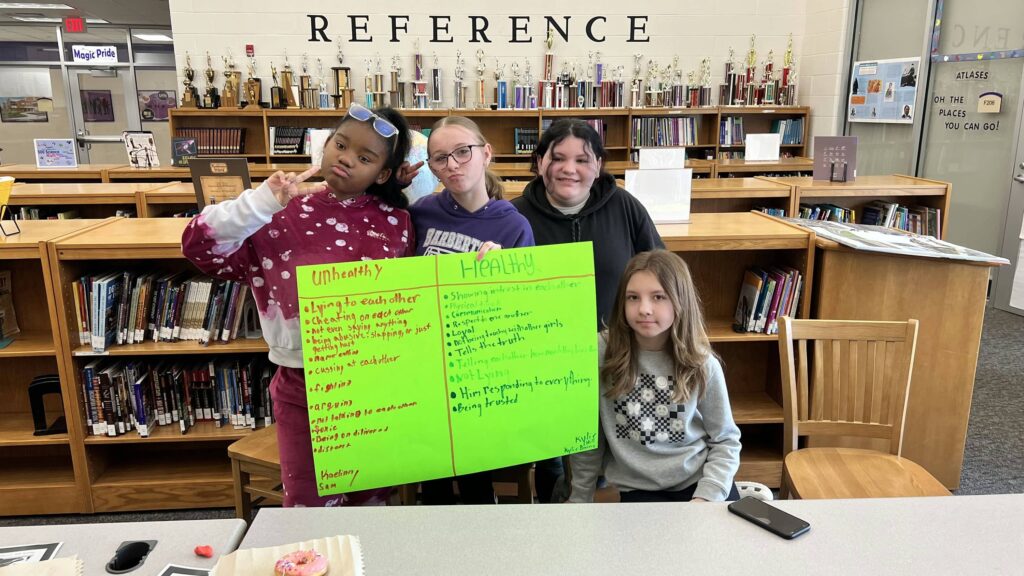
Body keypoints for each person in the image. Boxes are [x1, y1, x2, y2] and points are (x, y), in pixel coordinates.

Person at [181, 104, 417, 507]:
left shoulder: (396, 221)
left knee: (373, 500)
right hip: (301, 386)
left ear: (382, 173)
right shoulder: (277, 210)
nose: (345, 159)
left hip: (374, 384)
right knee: (309, 507)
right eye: (340, 145)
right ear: (325, 145)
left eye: (364, 157)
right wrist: (259, 204)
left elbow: (410, 301)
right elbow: (200, 247)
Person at [511, 118, 663, 503]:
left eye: (583, 159)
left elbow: (662, 274)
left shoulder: (626, 207)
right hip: (539, 367)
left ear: (598, 165)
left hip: (615, 360)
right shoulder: (513, 218)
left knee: (598, 462)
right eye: (558, 157)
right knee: (549, 461)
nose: (569, 169)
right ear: (540, 162)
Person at [411, 115, 534, 504]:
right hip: (426, 368)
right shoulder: (420, 213)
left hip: (480, 373)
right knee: (430, 478)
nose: (452, 164)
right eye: (440, 157)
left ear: (485, 154)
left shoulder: (513, 227)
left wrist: (503, 275)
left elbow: (526, 312)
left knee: (477, 479)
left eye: (462, 152)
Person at [568, 250, 741, 503]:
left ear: (680, 301)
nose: (644, 309)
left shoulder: (702, 362)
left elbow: (726, 440)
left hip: (697, 485)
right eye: (633, 297)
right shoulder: (600, 353)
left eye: (658, 297)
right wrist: (580, 498)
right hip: (635, 490)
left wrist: (707, 496)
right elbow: (588, 438)